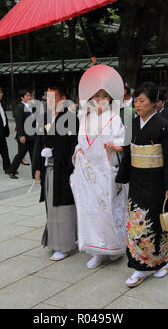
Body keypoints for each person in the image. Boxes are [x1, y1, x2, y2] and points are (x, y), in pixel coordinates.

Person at [116, 82, 168, 288]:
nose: (137, 105)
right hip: (138, 180)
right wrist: (122, 178)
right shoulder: (133, 124)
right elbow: (128, 152)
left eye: (142, 101)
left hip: (157, 182)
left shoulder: (163, 125)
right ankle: (140, 265)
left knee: (156, 223)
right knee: (137, 222)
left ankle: (161, 262)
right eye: (135, 101)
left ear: (154, 103)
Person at [70, 65, 128, 269]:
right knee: (89, 211)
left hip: (105, 172)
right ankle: (95, 250)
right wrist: (78, 151)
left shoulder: (114, 118)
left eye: (104, 95)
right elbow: (80, 143)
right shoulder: (85, 117)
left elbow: (123, 144)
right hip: (87, 174)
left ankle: (112, 247)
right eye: (96, 95)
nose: (100, 99)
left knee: (107, 211)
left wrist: (115, 147)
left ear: (110, 98)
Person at [33, 83, 78, 261]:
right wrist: (37, 166)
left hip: (65, 169)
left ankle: (66, 245)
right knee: (51, 206)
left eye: (53, 97)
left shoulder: (71, 119)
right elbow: (38, 143)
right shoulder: (44, 117)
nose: (49, 100)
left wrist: (72, 170)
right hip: (48, 167)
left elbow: (74, 146)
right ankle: (54, 242)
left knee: (64, 206)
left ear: (62, 99)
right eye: (47, 97)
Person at [7, 89, 36, 179]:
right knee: (20, 155)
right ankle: (11, 171)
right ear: (22, 97)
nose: (29, 97)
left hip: (32, 135)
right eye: (27, 96)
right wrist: (21, 135)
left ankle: (34, 174)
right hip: (24, 136)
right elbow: (19, 123)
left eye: (29, 95)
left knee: (34, 155)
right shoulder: (20, 107)